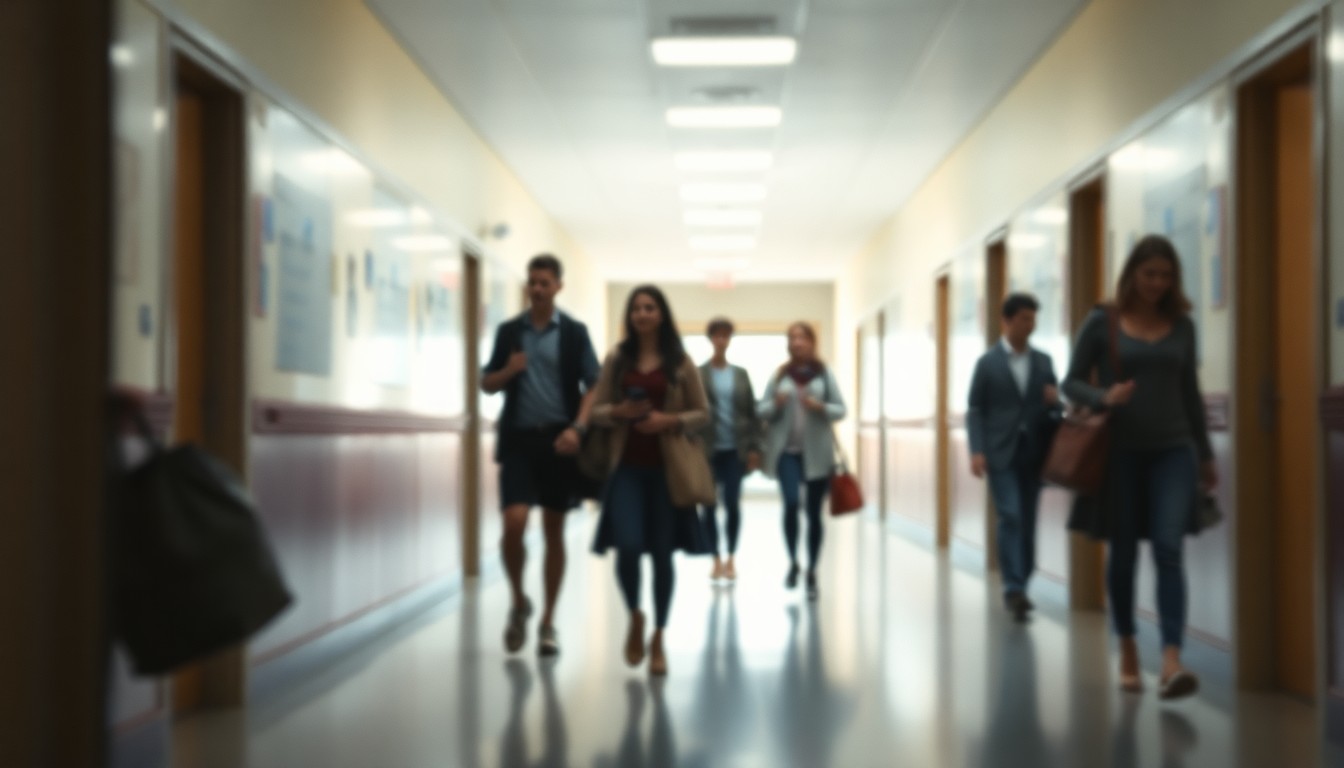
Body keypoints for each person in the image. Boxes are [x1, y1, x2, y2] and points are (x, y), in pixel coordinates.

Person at [1063, 234, 1217, 701]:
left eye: (1166, 276)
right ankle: (1128, 645)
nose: (1156, 284)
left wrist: (1205, 454)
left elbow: (1189, 391)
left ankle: (1171, 659)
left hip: (1173, 450)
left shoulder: (1182, 325)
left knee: (1169, 548)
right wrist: (1103, 396)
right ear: (1132, 273)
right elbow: (1070, 382)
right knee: (1124, 553)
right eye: (1149, 274)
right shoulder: (1102, 321)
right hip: (1120, 453)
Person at [480, 254, 600, 658]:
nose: (537, 288)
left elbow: (594, 385)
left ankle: (548, 622)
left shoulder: (574, 333)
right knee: (513, 524)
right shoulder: (510, 332)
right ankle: (519, 602)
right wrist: (509, 370)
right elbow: (486, 383)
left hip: (559, 442)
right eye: (532, 282)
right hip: (518, 442)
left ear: (558, 287)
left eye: (545, 282)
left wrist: (578, 428)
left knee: (553, 530)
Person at [589, 285, 709, 677]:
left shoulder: (680, 362)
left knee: (661, 555)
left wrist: (669, 421)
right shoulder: (618, 360)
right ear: (630, 316)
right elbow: (598, 411)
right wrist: (620, 411)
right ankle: (635, 616)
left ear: (661, 314)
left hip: (667, 472)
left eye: (650, 307)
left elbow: (702, 413)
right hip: (626, 469)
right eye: (636, 308)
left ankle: (658, 635)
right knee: (627, 546)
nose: (642, 313)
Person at [967, 293, 1063, 621]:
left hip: (1035, 453)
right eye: (1024, 318)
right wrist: (977, 450)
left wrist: (1056, 401)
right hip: (1000, 452)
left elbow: (1055, 410)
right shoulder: (987, 363)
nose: (1030, 324)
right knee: (1010, 515)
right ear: (1006, 321)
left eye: (1033, 318)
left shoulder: (1044, 362)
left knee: (1028, 521)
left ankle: (1023, 578)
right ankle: (1013, 587)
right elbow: (975, 409)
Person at [758, 322, 846, 601]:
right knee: (792, 503)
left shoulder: (824, 373)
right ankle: (793, 562)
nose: (797, 342)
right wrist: (776, 404)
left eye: (802, 337)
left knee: (813, 514)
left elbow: (841, 409)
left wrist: (821, 407)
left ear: (811, 342)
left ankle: (812, 571)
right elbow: (762, 409)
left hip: (817, 454)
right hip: (787, 453)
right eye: (792, 338)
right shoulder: (780, 374)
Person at [698, 317, 763, 582]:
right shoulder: (699, 373)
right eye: (716, 336)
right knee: (709, 506)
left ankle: (731, 558)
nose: (721, 340)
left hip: (735, 450)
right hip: (707, 451)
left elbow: (751, 412)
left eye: (726, 336)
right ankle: (714, 558)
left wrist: (755, 448)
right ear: (710, 339)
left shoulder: (740, 374)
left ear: (730, 339)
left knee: (733, 505)